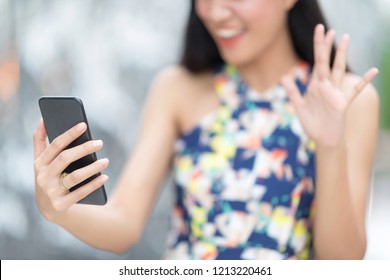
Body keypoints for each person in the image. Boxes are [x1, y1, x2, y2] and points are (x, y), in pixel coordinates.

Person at [33, 0, 379, 260]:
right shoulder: (177, 89)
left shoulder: (349, 100)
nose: (214, 11)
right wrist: (59, 208)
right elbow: (123, 222)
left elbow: (343, 261)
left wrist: (330, 144)